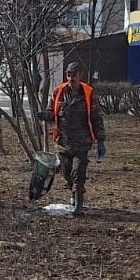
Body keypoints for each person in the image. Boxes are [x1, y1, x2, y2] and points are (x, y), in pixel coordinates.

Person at [41, 61, 105, 216]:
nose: (71, 78)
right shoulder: (58, 92)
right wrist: (45, 115)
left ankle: (79, 205)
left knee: (78, 173)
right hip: (63, 143)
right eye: (68, 75)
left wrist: (101, 140)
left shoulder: (88, 93)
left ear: (80, 75)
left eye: (74, 75)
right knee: (66, 172)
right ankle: (73, 193)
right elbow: (52, 113)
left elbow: (96, 118)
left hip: (82, 143)